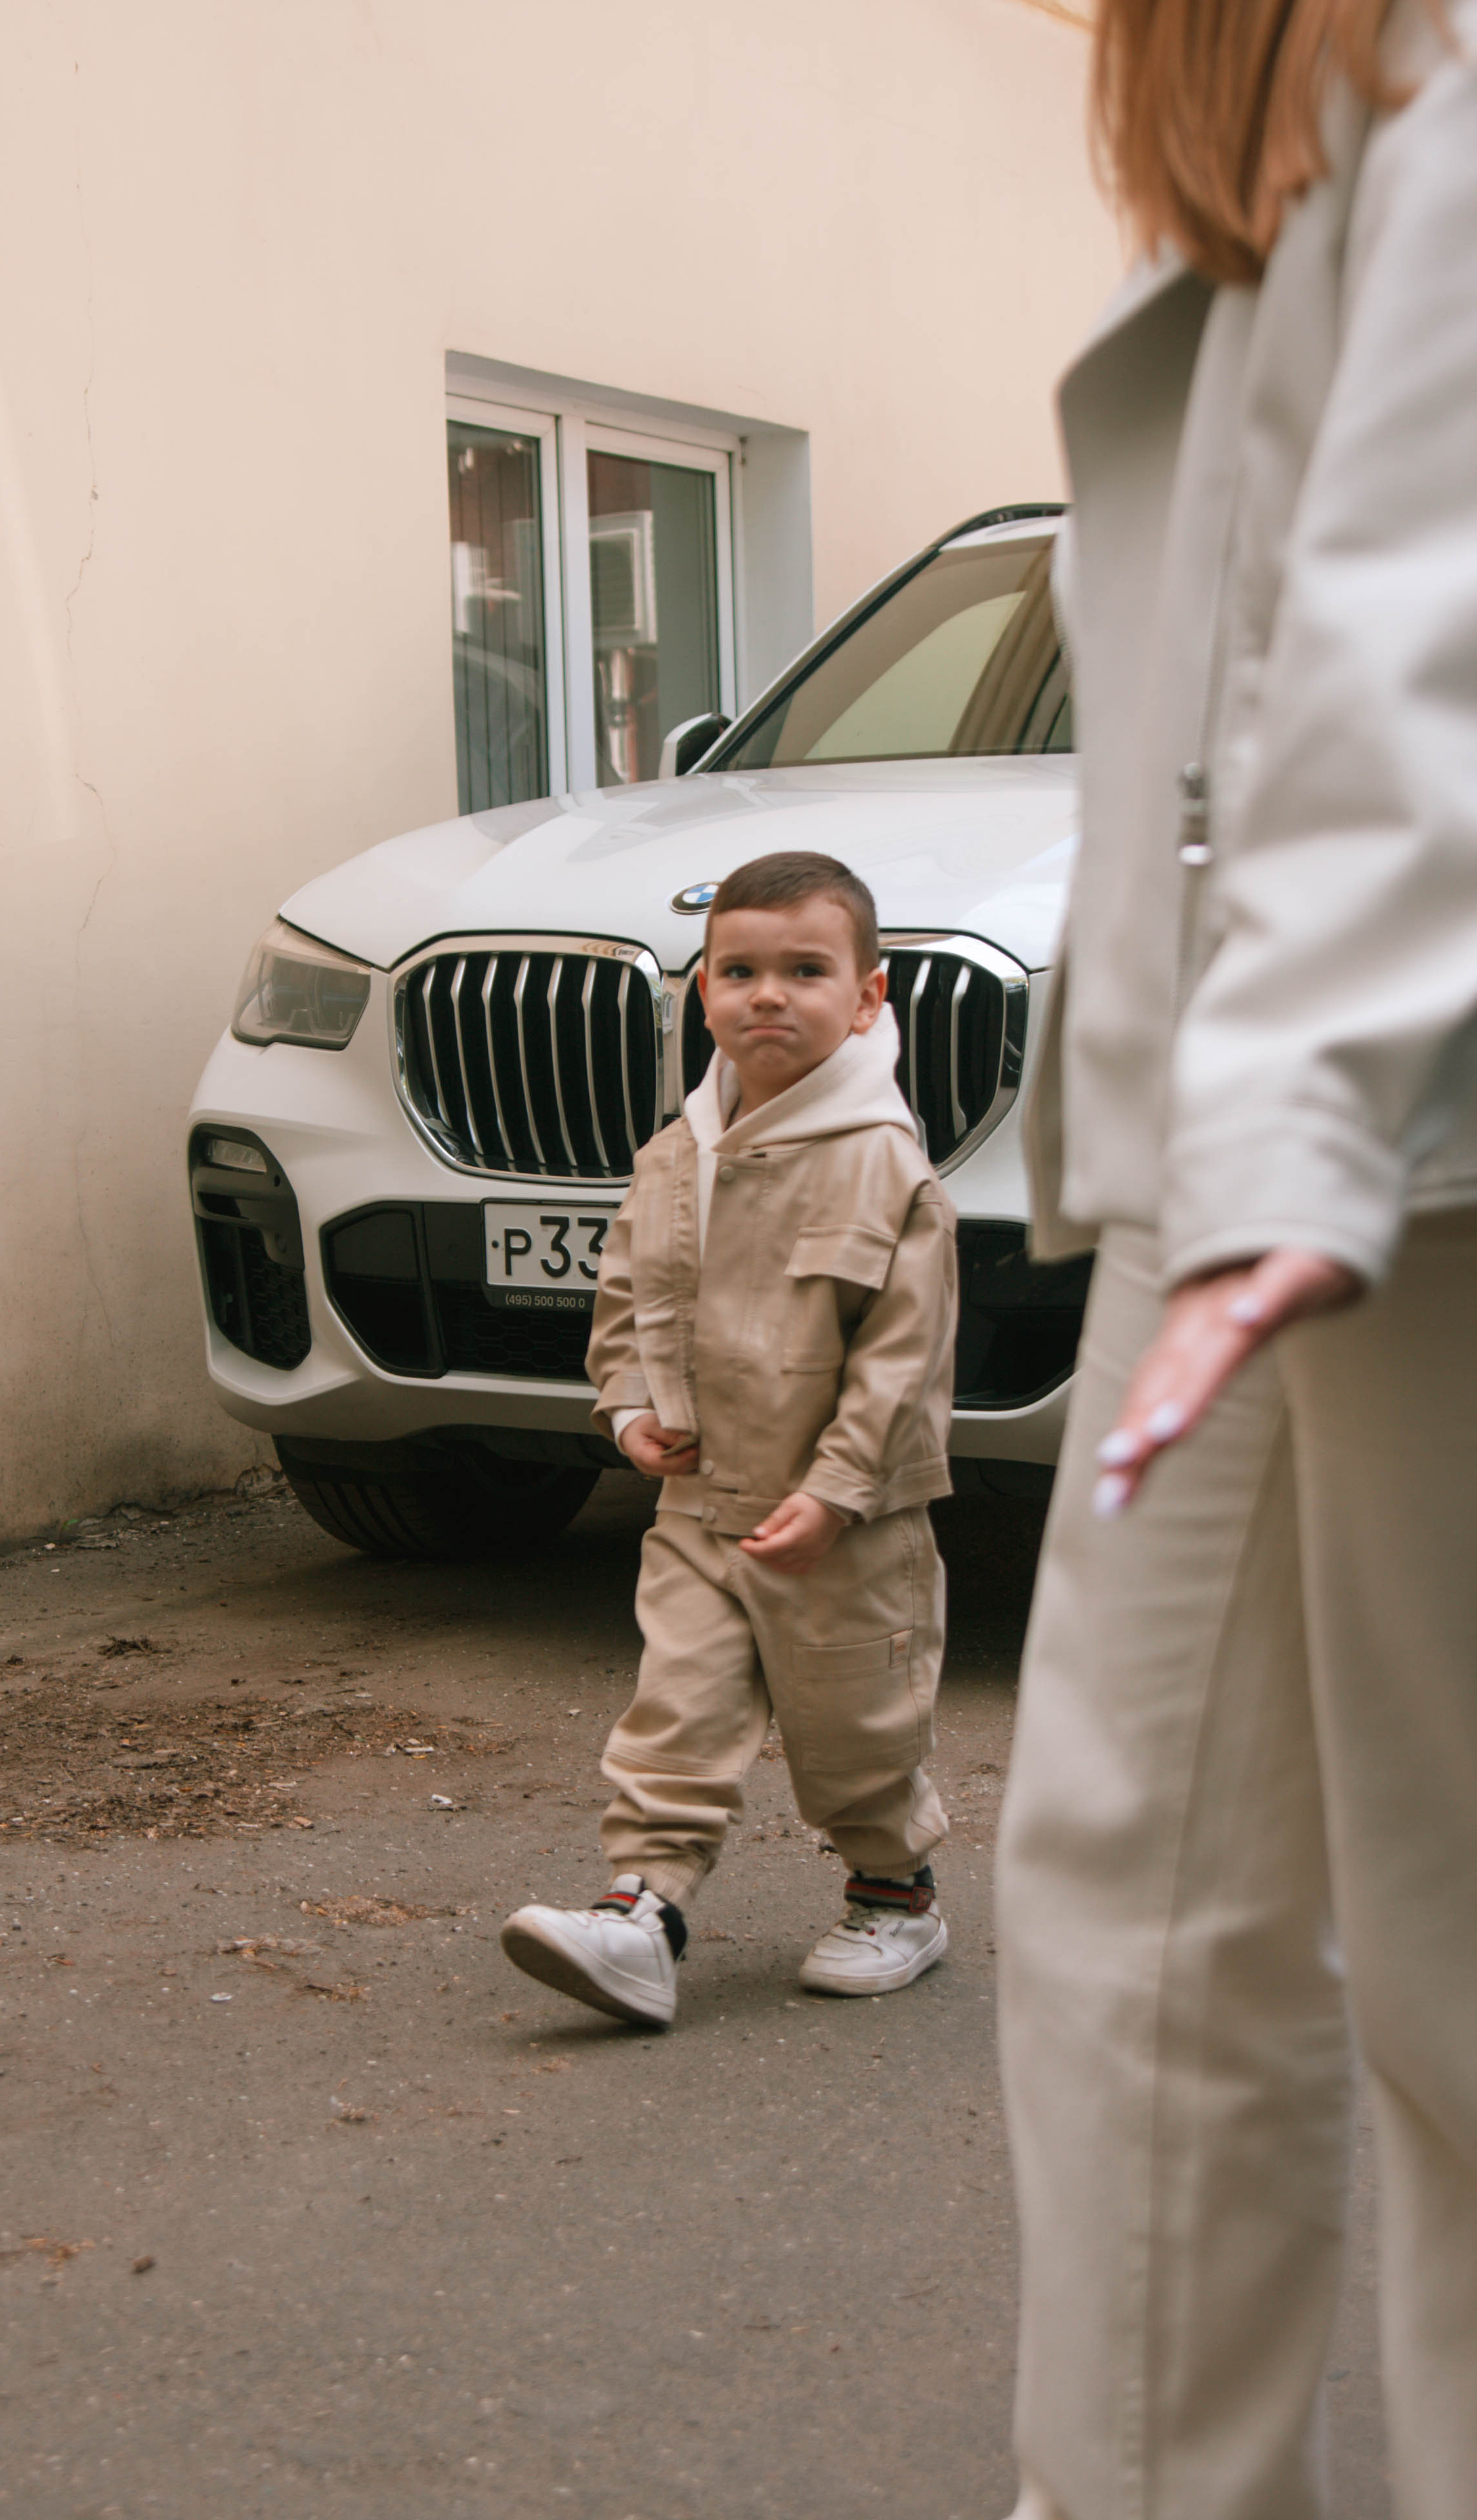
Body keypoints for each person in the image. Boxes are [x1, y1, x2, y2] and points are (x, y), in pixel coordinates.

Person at [995, 3, 1477, 2515]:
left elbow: (1434, 615)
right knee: (1123, 1907)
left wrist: (1279, 1139)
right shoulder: (1285, 111)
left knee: (1456, 1980)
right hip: (1249, 1132)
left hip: (1403, 1124)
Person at [500, 850, 958, 2029]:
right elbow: (625, 1302)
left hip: (843, 1524)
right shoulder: (674, 1157)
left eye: (806, 970)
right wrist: (630, 1408)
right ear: (701, 992)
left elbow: (906, 1358)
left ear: (868, 996)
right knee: (676, 1712)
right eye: (738, 970)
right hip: (701, 1508)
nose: (768, 995)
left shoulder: (884, 1164)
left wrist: (845, 1487)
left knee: (857, 1728)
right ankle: (641, 1917)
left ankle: (894, 1896)